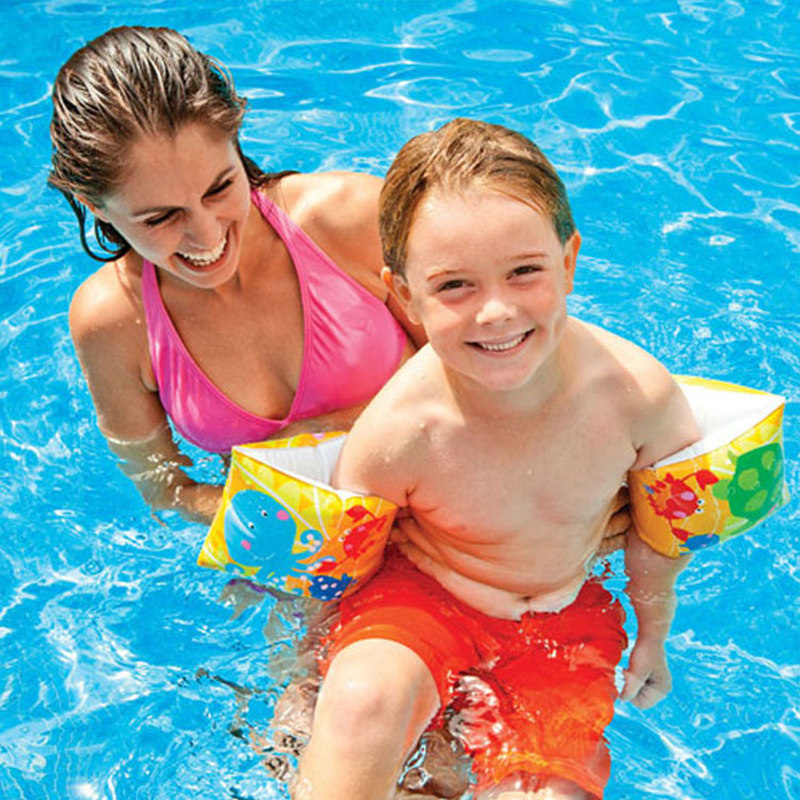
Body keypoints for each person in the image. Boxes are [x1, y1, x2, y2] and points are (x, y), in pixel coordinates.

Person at [293, 119, 699, 800]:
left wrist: (653, 633)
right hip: (419, 602)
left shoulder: (637, 398)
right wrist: (309, 684)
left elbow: (662, 535)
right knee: (361, 705)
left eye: (524, 272)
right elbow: (336, 570)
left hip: (563, 619)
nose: (495, 312)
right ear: (404, 295)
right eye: (454, 286)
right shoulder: (401, 430)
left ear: (568, 262)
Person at [48, 25, 423, 523]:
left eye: (220, 187)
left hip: (444, 491)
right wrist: (270, 512)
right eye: (161, 218)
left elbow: (479, 364)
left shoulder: (348, 218)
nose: (206, 236)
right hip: (302, 536)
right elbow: (166, 488)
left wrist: (319, 439)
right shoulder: (111, 321)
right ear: (95, 206)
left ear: (235, 138)